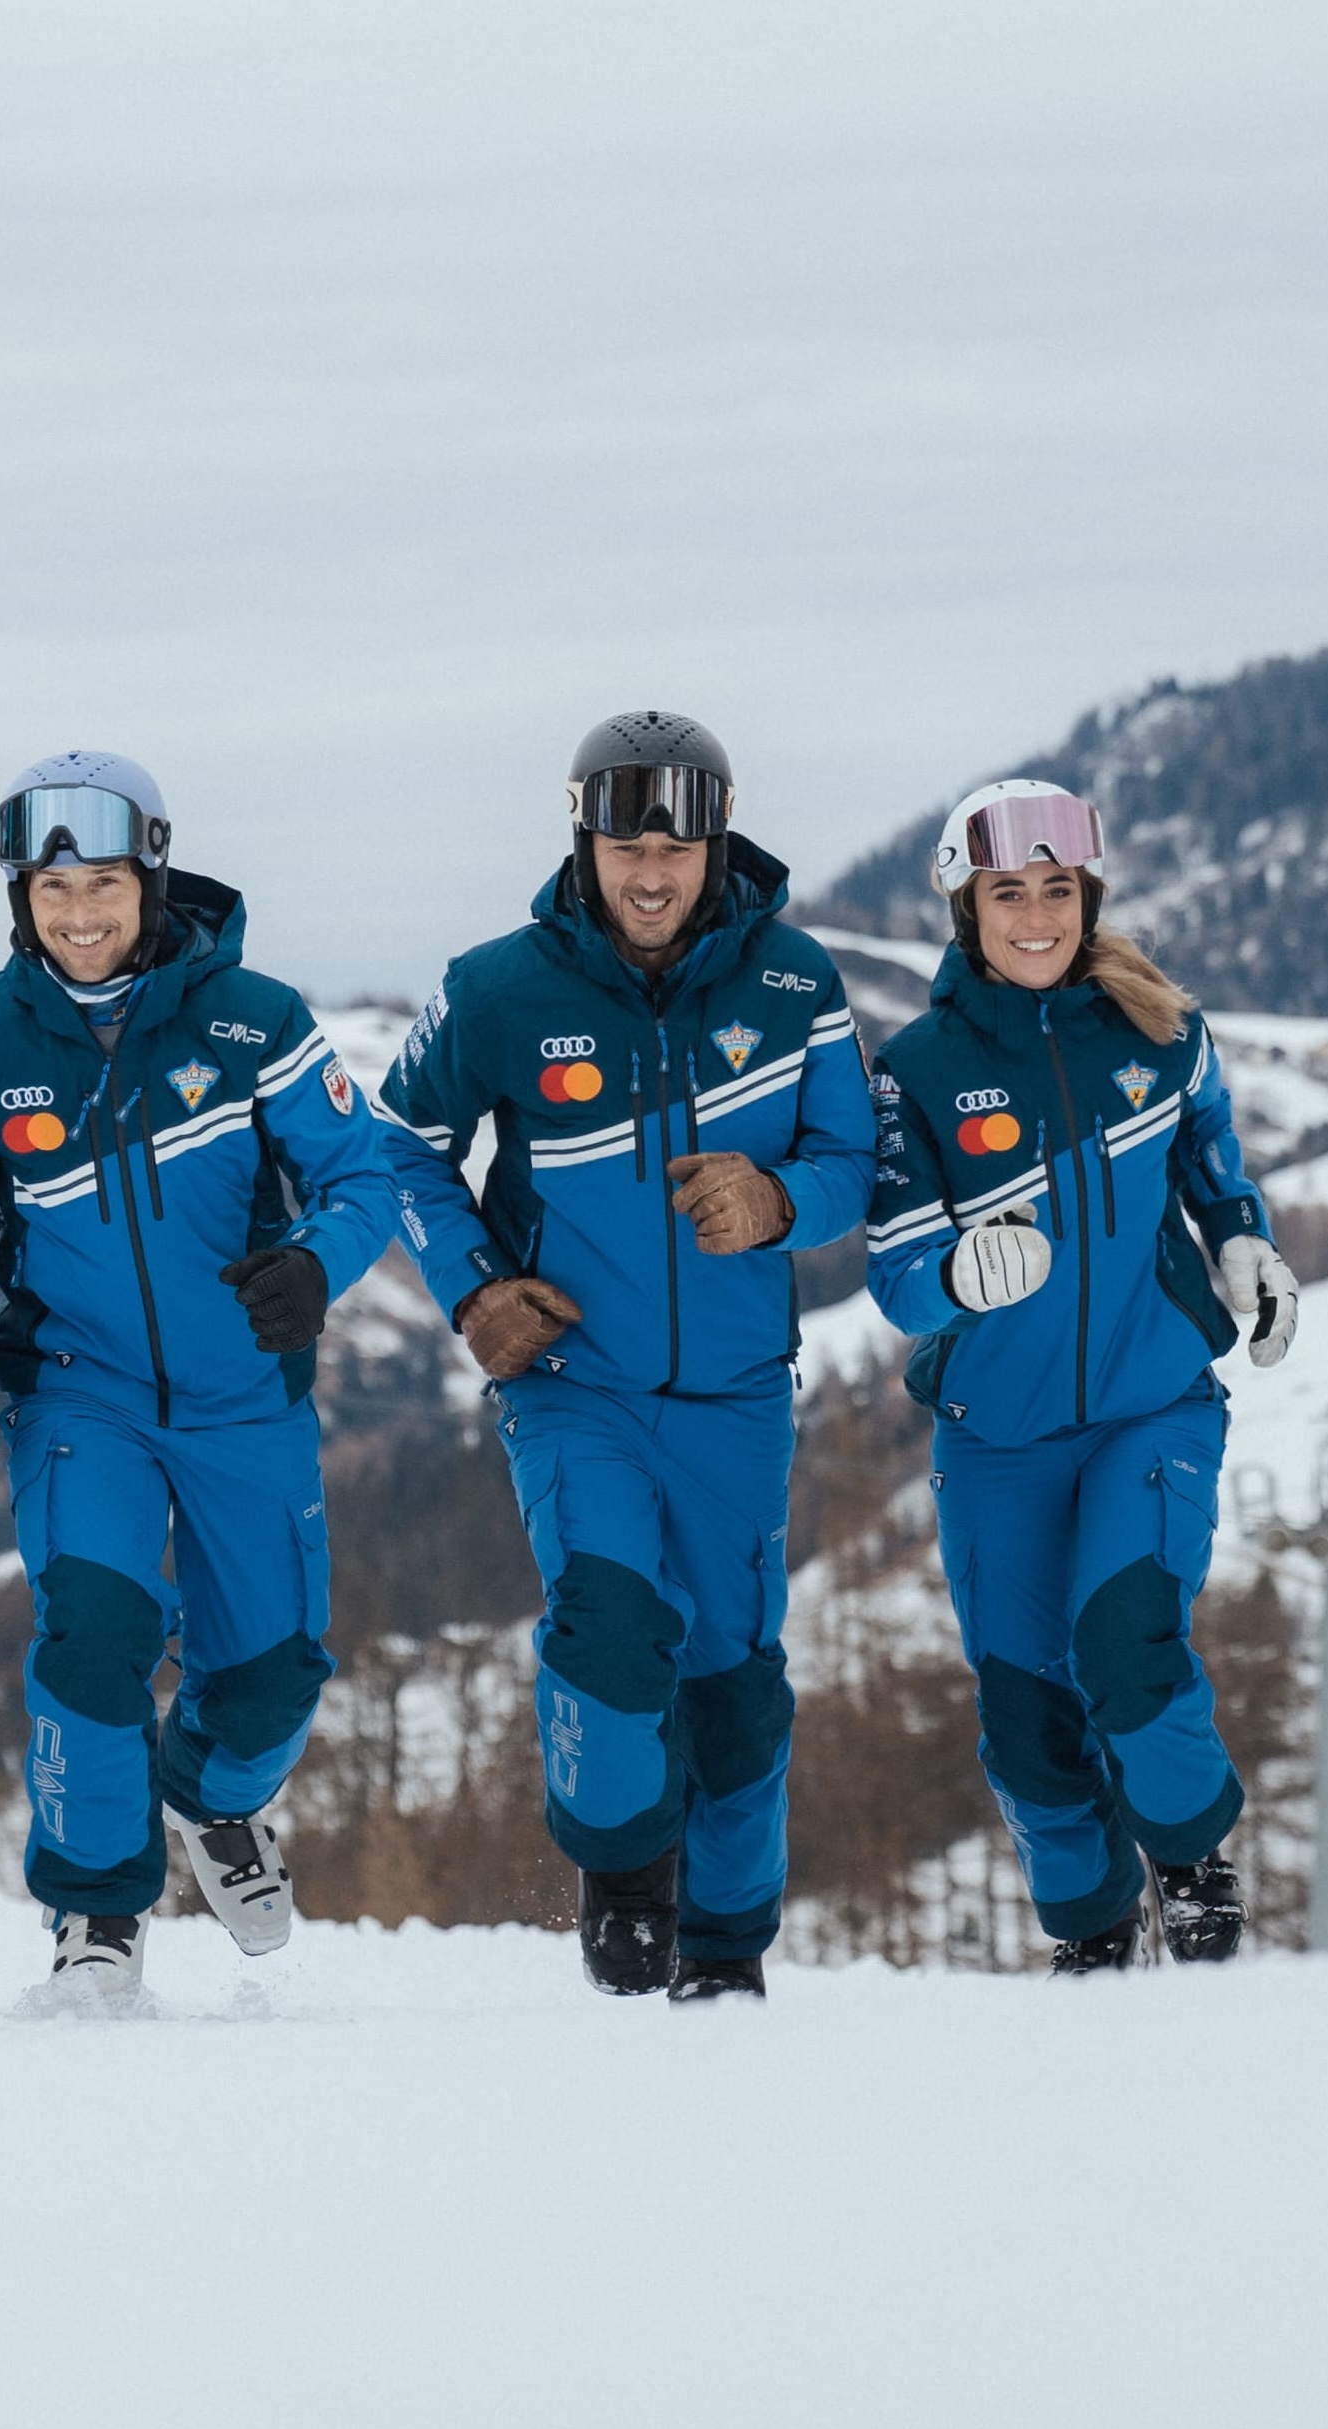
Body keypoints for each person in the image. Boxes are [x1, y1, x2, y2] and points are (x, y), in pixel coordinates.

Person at [371, 710, 874, 2000]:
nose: (651, 873)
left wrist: (778, 1202)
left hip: (734, 1392)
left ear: (718, 844)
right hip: (571, 1385)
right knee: (608, 1627)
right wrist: (472, 1286)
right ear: (581, 839)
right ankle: (623, 1876)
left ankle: (726, 1949)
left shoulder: (794, 981)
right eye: (624, 843)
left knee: (734, 1683)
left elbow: (849, 1162)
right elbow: (401, 1146)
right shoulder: (496, 986)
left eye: (677, 846)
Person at [0, 750, 403, 2006]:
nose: (78, 912)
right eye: (51, 886)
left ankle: (210, 1800)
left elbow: (363, 1174)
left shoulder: (254, 1020)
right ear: (20, 894)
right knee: (95, 1635)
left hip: (246, 1395)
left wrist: (315, 1263)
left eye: (106, 883)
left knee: (275, 1674)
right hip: (80, 1393)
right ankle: (94, 1919)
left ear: (152, 877)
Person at [863, 780, 1304, 1972]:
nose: (1036, 914)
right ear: (967, 907)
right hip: (993, 1435)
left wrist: (1245, 1246)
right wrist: (956, 1270)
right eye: (1008, 891)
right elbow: (893, 1270)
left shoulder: (1162, 1032)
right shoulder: (918, 1068)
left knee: (1127, 1645)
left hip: (1149, 1404)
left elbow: (1216, 1173)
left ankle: (1193, 1868)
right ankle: (1093, 1932)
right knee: (1023, 1711)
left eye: (1056, 889)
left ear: (1087, 896)